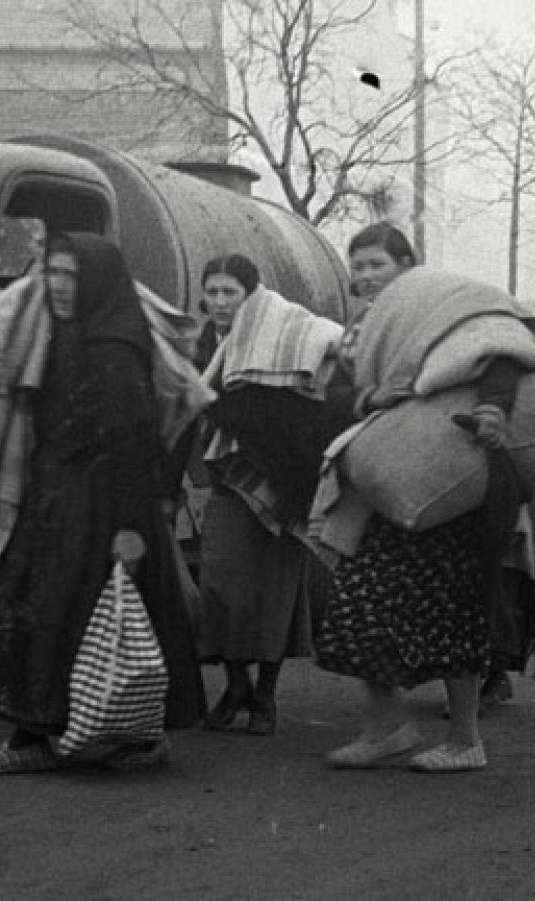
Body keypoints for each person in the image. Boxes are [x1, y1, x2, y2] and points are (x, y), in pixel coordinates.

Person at [312, 223, 535, 774]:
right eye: (358, 266)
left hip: (461, 481)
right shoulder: (360, 332)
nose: (366, 275)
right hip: (387, 485)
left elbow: (503, 353)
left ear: (409, 265)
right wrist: (369, 396)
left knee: (456, 608)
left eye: (377, 264)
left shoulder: (456, 307)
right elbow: (332, 395)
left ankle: (464, 739)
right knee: (360, 600)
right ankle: (387, 728)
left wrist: (493, 409)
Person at [0, 232, 204, 773]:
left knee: (68, 617)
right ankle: (61, 732)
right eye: (53, 272)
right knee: (53, 615)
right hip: (59, 499)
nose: (60, 286)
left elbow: (133, 447)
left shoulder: (114, 349)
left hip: (102, 508)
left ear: (96, 282)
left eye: (72, 275)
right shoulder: (64, 335)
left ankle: (50, 737)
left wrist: (129, 528)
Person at [194, 254, 345, 736]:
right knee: (220, 590)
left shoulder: (283, 334)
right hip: (228, 484)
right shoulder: (206, 344)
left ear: (250, 296)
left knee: (274, 595)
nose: (220, 302)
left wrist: (230, 409)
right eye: (212, 292)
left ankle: (265, 696)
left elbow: (297, 403)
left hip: (282, 482)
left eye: (230, 292)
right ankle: (236, 685)